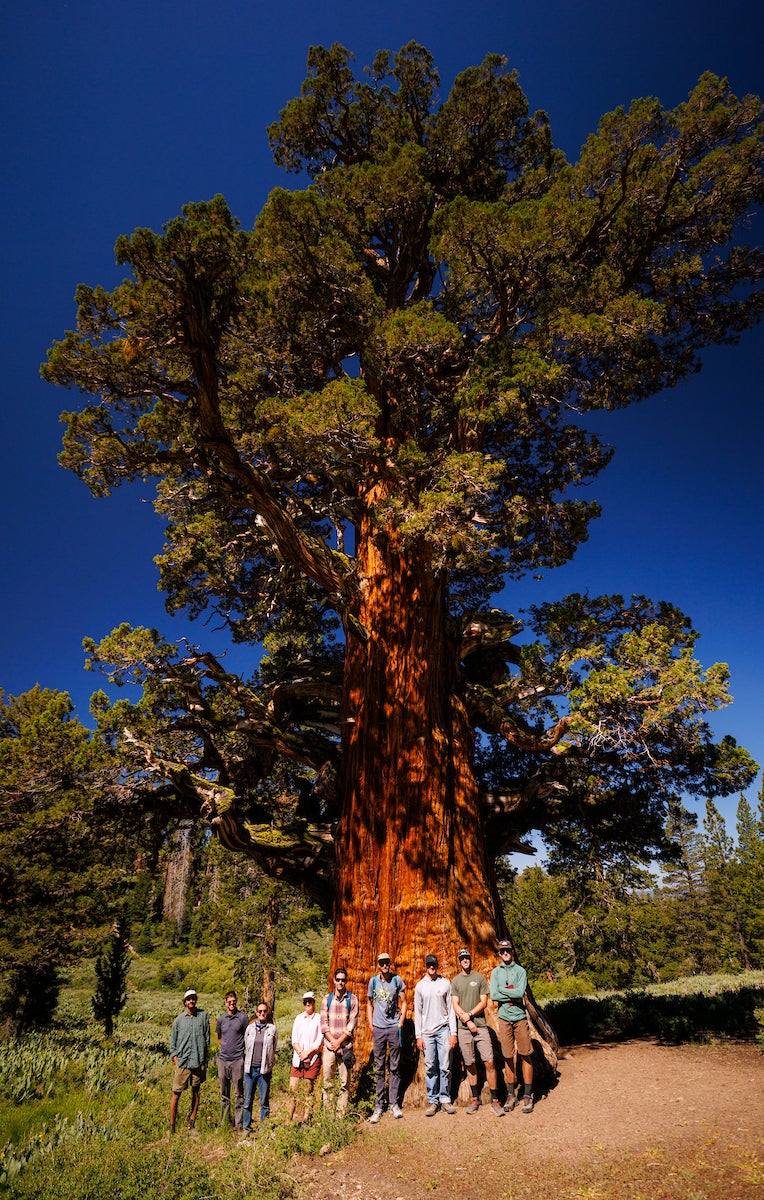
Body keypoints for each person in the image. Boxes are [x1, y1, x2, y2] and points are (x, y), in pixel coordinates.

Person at [450, 948, 504, 1116]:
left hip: (480, 1026)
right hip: (463, 1029)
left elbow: (484, 1001)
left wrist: (471, 1016)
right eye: (462, 958)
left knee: (489, 1062)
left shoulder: (479, 978)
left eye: (467, 957)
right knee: (470, 1064)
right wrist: (466, 1020)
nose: (465, 960)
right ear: (459, 962)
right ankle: (475, 1098)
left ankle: (495, 1100)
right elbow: (455, 1004)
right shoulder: (456, 981)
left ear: (470, 959)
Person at [490, 938, 534, 1113]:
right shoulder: (495, 973)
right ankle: (511, 1095)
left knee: (525, 1054)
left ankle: (528, 1095)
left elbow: (519, 993)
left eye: (508, 950)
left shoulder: (520, 971)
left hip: (519, 1017)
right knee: (508, 1056)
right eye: (502, 951)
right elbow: (493, 994)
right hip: (504, 1018)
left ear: (512, 951)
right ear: (499, 953)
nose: (505, 953)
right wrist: (510, 993)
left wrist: (503, 990)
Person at [413, 954, 457, 1116]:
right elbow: (417, 1012)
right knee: (431, 1067)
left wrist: (454, 1033)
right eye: (429, 965)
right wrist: (419, 1035)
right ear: (426, 966)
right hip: (427, 1033)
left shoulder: (445, 983)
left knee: (445, 1066)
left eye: (434, 964)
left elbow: (451, 1009)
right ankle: (433, 1101)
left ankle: (445, 1099)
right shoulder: (420, 986)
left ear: (438, 965)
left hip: (443, 1030)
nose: (432, 967)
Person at [367, 952, 407, 1123]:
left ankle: (394, 1103)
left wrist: (401, 1021)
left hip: (393, 1028)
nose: (385, 965)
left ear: (390, 964)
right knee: (379, 1066)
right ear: (378, 965)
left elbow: (404, 1001)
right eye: (382, 963)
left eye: (387, 962)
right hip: (379, 1028)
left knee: (395, 1065)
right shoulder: (374, 981)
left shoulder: (397, 980)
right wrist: (370, 1023)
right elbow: (369, 1002)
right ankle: (379, 1105)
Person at [169, 987, 210, 1135]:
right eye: (188, 999)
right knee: (176, 1093)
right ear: (185, 1002)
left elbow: (207, 1038)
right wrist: (175, 1058)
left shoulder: (203, 1016)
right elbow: (172, 1042)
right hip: (183, 1062)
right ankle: (172, 1127)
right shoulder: (178, 1020)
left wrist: (205, 1059)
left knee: (196, 1091)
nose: (191, 1000)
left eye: (193, 998)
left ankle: (191, 1122)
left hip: (198, 1061)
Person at [320, 967, 359, 1115]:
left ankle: (340, 1116)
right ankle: (329, 1117)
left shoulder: (352, 999)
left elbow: (352, 1023)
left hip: (345, 1047)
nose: (340, 982)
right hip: (330, 1047)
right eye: (338, 979)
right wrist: (333, 1043)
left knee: (344, 1084)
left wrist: (339, 1042)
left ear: (346, 981)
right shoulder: (326, 999)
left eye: (343, 979)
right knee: (328, 1082)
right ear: (334, 981)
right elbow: (324, 1023)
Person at [242, 1001, 278, 1134]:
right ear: (256, 1013)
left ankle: (264, 1128)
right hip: (250, 1070)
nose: (262, 1013)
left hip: (264, 1070)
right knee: (248, 1100)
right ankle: (246, 1127)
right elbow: (246, 1045)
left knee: (264, 1101)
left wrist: (269, 1064)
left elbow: (273, 1048)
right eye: (260, 1011)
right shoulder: (250, 1029)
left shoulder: (272, 1029)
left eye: (264, 1011)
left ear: (267, 1013)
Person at [287, 991, 324, 1123]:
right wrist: (301, 1054)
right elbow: (294, 1039)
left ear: (314, 1002)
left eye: (310, 1001)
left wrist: (307, 1053)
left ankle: (305, 1120)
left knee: (308, 1090)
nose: (307, 1004)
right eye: (305, 1002)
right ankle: (287, 1121)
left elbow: (319, 1041)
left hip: (312, 1058)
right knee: (293, 1091)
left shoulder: (319, 1018)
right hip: (298, 1059)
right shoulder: (298, 1018)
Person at [215, 990, 248, 1130]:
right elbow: (219, 1037)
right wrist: (225, 1048)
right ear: (225, 1003)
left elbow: (247, 1036)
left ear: (236, 1002)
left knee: (238, 1093)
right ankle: (224, 1123)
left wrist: (240, 1053)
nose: (232, 1004)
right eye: (229, 1001)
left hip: (237, 1060)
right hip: (223, 1060)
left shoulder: (242, 1018)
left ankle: (238, 1124)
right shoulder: (221, 1019)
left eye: (234, 1001)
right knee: (224, 1093)